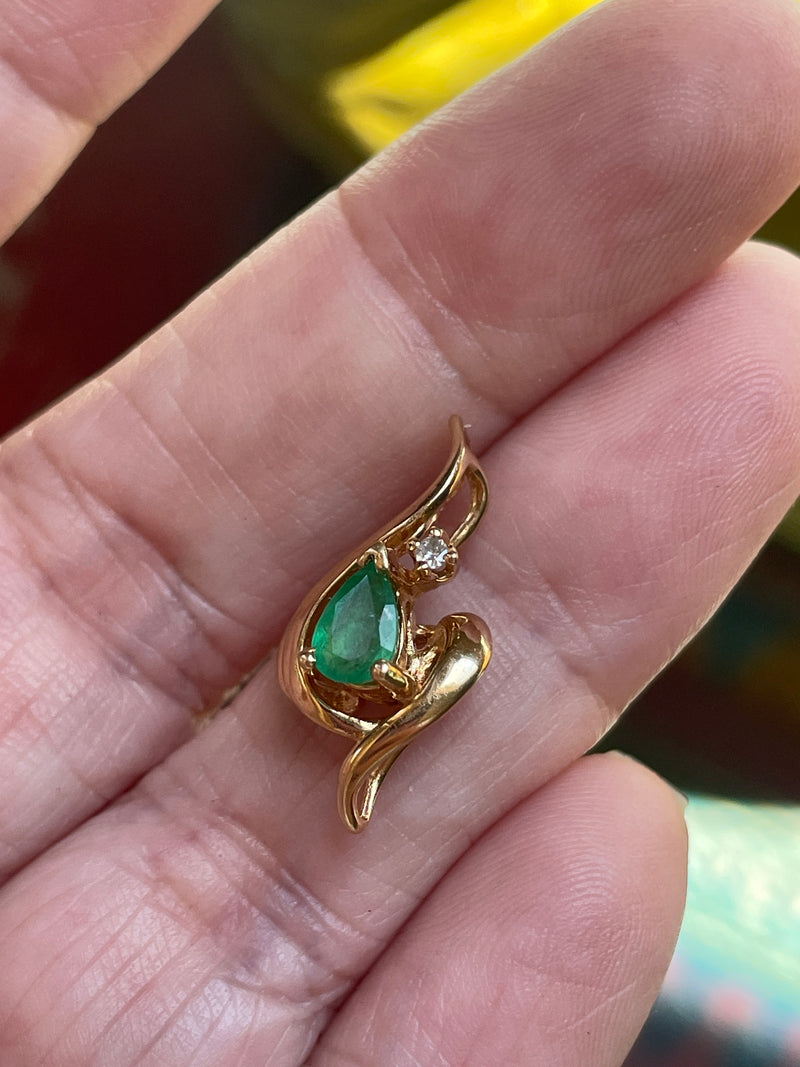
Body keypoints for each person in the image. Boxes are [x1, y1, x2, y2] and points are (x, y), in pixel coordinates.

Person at [0, 0, 799, 1063]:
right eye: (432, 546)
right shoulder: (371, 602)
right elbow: (360, 634)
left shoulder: (382, 602)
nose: (437, 554)